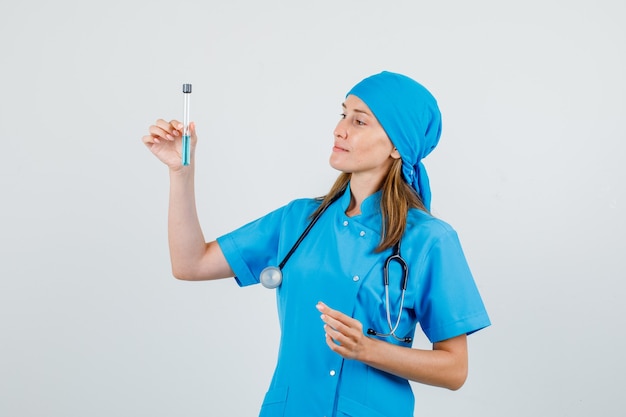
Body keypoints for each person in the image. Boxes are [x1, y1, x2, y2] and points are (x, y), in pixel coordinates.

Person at [142, 71, 490, 417]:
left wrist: (366, 349)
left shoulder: (429, 240)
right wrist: (180, 173)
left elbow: (454, 369)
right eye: (343, 115)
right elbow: (190, 264)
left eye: (359, 121)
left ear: (398, 145)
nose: (340, 129)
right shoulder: (299, 220)